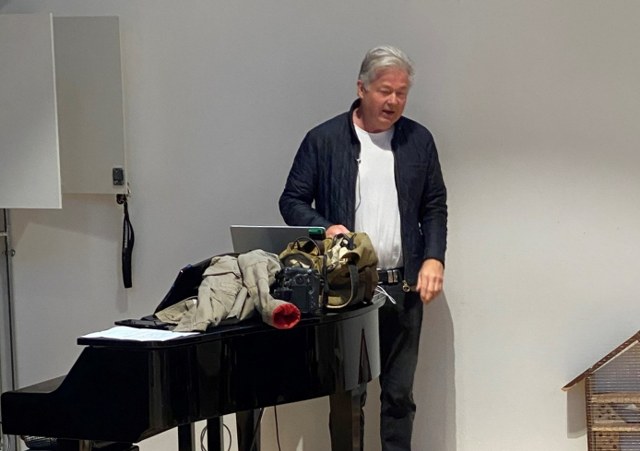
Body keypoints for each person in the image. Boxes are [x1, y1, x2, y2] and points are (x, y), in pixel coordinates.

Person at [279, 45, 447, 451]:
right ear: (361, 88)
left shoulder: (418, 141)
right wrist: (325, 227)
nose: (394, 101)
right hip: (345, 289)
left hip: (402, 287)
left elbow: (434, 206)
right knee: (348, 398)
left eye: (402, 93)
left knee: (399, 396)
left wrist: (433, 258)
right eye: (385, 91)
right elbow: (292, 201)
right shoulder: (323, 140)